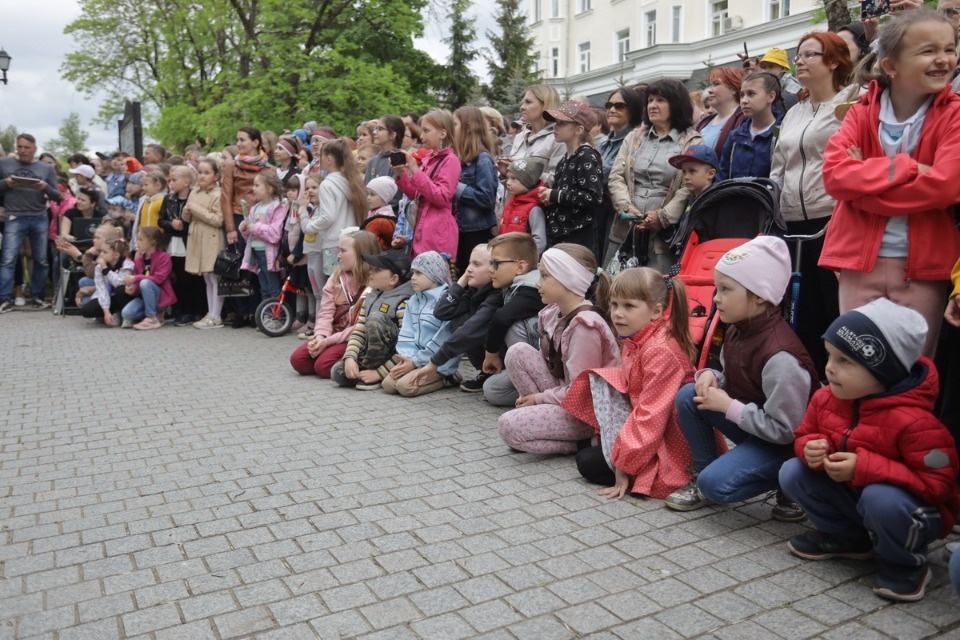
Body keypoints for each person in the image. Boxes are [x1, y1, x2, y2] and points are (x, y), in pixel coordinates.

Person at [780, 298, 959, 602]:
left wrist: (863, 467)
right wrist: (809, 448)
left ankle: (908, 563)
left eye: (845, 361)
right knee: (793, 471)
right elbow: (803, 434)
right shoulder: (826, 398)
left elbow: (939, 486)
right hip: (858, 500)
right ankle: (847, 539)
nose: (830, 369)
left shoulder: (916, 423)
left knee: (881, 498)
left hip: (913, 514)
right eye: (829, 357)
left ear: (884, 371)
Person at [821, 10, 960, 359]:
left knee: (913, 370)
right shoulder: (859, 111)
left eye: (950, 48)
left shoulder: (954, 113)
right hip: (857, 262)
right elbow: (835, 177)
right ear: (892, 66)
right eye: (928, 50)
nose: (943, 59)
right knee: (855, 363)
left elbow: (945, 186)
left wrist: (864, 190)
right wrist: (908, 166)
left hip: (923, 267)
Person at [665, 236, 818, 521]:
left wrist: (727, 406)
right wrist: (712, 376)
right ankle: (703, 470)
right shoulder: (738, 327)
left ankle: (790, 486)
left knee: (716, 486)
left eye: (725, 289)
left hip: (786, 447)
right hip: (755, 426)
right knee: (690, 394)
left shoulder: (781, 356)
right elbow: (737, 378)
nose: (716, 297)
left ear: (759, 295)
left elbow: (786, 431)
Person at [564, 267, 699, 500]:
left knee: (587, 462)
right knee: (589, 457)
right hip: (652, 428)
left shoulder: (660, 350)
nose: (617, 313)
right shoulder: (638, 335)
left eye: (629, 306)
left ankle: (630, 460)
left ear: (656, 311)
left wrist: (624, 465)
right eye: (614, 305)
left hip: (672, 440)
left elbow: (651, 415)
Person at [770, 31, 856, 378]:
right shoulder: (794, 112)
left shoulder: (854, 102)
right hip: (793, 225)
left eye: (809, 55)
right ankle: (808, 388)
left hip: (836, 220)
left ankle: (841, 381)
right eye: (798, 55)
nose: (799, 61)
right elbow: (778, 165)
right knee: (799, 311)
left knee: (835, 310)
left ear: (833, 61)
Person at [497, 244, 620, 454]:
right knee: (517, 352)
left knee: (509, 427)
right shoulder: (554, 312)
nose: (537, 283)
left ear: (568, 279)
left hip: (587, 412)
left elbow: (581, 393)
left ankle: (586, 441)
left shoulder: (584, 328)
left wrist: (539, 398)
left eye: (545, 276)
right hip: (566, 395)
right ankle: (543, 424)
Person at [606, 79, 703, 273]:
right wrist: (625, 206)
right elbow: (616, 176)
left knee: (655, 292)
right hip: (626, 227)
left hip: (663, 235)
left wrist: (663, 217)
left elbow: (689, 186)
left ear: (676, 104)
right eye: (650, 100)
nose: (652, 105)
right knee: (613, 289)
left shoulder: (692, 141)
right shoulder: (633, 137)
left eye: (660, 100)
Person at [406, 244, 497, 391]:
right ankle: (485, 372)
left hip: (502, 358)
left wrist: (434, 362)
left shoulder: (496, 295)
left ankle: (496, 373)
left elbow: (471, 329)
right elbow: (441, 312)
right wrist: (461, 282)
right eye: (469, 263)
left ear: (494, 268)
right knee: (459, 319)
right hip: (426, 358)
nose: (469, 269)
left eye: (476, 264)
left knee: (494, 391)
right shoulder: (473, 293)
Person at [290, 230, 380, 378]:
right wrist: (320, 337)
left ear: (361, 253)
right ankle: (330, 353)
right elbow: (325, 312)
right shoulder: (337, 277)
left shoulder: (375, 283)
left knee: (322, 367)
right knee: (298, 360)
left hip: (354, 339)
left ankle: (358, 361)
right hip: (332, 335)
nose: (338, 255)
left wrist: (328, 342)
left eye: (343, 251)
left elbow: (360, 327)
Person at [301, 139, 368, 327]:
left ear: (329, 159)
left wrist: (308, 226)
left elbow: (327, 217)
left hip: (333, 243)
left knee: (334, 291)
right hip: (352, 240)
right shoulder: (350, 181)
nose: (320, 159)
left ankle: (333, 328)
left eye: (322, 155)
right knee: (349, 288)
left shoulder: (328, 184)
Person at [331, 250, 415, 390]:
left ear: (393, 279)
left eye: (377, 270)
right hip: (369, 354)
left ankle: (377, 376)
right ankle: (364, 373)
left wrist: (379, 372)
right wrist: (350, 357)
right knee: (337, 372)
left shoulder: (403, 302)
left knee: (376, 318)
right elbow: (359, 330)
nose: (371, 272)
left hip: (392, 360)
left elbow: (405, 347)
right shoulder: (370, 296)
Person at [381, 251, 462, 395]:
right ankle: (420, 372)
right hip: (416, 360)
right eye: (412, 273)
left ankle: (448, 377)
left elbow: (443, 338)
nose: (413, 278)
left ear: (434, 276)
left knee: (405, 387)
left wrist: (416, 362)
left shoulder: (446, 301)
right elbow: (407, 332)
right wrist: (409, 359)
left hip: (438, 362)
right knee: (388, 385)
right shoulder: (414, 300)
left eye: (419, 273)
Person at [480, 233, 545, 404]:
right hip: (531, 363)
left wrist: (491, 353)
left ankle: (541, 397)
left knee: (510, 323)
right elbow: (477, 302)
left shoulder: (532, 289)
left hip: (546, 365)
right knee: (491, 389)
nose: (490, 269)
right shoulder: (513, 284)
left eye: (496, 263)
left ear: (520, 267)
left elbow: (502, 317)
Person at [0, 133, 61, 312]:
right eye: (19, 147)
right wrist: (5, 183)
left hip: (39, 216)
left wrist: (45, 187)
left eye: (26, 147)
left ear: (35, 148)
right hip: (14, 216)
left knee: (41, 260)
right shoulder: (4, 163)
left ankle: (38, 296)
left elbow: (57, 196)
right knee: (8, 259)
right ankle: (4, 298)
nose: (23, 151)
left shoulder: (46, 168)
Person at [392, 110, 462, 260]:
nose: (421, 136)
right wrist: (402, 174)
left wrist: (415, 171)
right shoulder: (429, 159)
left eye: (426, 131)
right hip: (423, 229)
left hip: (438, 233)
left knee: (433, 280)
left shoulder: (451, 160)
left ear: (442, 134)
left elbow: (442, 197)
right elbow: (417, 194)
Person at [539, 100, 604, 254]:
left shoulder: (586, 155)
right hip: (562, 234)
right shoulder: (565, 158)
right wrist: (550, 198)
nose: (555, 127)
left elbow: (593, 198)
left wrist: (555, 195)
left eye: (561, 123)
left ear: (579, 129)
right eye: (556, 122)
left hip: (579, 236)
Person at [222, 127, 270, 327]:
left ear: (256, 142)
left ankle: (257, 310)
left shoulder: (268, 168)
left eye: (243, 140)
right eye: (237, 140)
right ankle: (242, 312)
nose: (239, 143)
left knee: (259, 265)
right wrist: (230, 228)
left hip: (261, 219)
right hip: (238, 217)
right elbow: (225, 197)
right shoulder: (232, 166)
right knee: (238, 267)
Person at [598, 87, 645, 261]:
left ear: (632, 110)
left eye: (619, 106)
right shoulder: (604, 143)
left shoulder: (635, 141)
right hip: (600, 212)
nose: (612, 110)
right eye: (609, 105)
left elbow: (606, 176)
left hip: (618, 213)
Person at [452, 107, 498, 275]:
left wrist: (456, 187)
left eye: (455, 124)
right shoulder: (458, 158)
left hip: (475, 231)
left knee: (473, 277)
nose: (451, 129)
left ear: (469, 127)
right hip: (459, 229)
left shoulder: (482, 159)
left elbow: (486, 198)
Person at [717, 71, 785, 181]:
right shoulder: (735, 136)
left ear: (771, 96)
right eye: (742, 95)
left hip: (768, 197)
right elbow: (722, 177)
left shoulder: (783, 133)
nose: (744, 100)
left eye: (751, 94)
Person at [183, 159, 226, 330]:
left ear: (216, 176)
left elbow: (218, 220)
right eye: (200, 172)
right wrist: (186, 212)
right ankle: (211, 312)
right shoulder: (194, 192)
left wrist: (195, 210)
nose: (201, 176)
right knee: (207, 278)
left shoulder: (218, 194)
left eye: (206, 173)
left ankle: (216, 315)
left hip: (211, 238)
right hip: (197, 237)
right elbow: (187, 217)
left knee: (215, 277)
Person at [159, 165, 205, 325]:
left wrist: (183, 226)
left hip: (190, 242)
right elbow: (161, 219)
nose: (171, 183)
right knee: (180, 278)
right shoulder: (168, 199)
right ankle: (184, 310)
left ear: (186, 182)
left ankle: (198, 310)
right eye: (170, 179)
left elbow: (199, 220)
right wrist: (171, 224)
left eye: (174, 179)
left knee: (195, 279)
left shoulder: (195, 197)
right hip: (174, 243)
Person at [500, 85, 566, 187]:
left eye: (528, 102)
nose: (522, 107)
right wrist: (506, 173)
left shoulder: (558, 138)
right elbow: (515, 182)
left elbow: (557, 181)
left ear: (545, 105)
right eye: (522, 103)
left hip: (537, 202)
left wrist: (522, 170)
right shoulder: (519, 137)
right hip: (513, 202)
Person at [121, 226, 176, 330]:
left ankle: (152, 318)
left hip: (160, 298)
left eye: (141, 239)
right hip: (144, 297)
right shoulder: (138, 260)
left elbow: (159, 279)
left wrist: (135, 278)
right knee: (126, 314)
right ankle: (156, 315)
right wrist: (133, 289)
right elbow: (138, 284)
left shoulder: (164, 257)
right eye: (137, 239)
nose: (138, 242)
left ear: (152, 242)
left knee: (145, 283)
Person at [80, 237, 133, 326]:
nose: (101, 255)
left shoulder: (127, 265)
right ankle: (111, 314)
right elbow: (101, 289)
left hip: (125, 296)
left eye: (105, 252)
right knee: (86, 310)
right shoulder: (99, 267)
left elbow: (120, 284)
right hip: (110, 296)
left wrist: (106, 270)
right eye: (101, 251)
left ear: (116, 255)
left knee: (120, 289)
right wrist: (106, 311)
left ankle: (124, 315)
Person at [499, 157, 547, 254]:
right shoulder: (511, 203)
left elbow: (539, 241)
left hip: (522, 262)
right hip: (507, 258)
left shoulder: (534, 208)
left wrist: (525, 258)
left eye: (513, 178)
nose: (508, 182)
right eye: (507, 178)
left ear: (527, 182)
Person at [697, 68, 746, 157]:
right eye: (710, 85)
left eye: (716, 84)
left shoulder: (744, 120)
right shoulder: (704, 123)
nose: (710, 91)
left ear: (733, 89)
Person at [131, 171, 167, 249]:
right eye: (142, 185)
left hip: (157, 243)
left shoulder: (163, 201)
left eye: (146, 185)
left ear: (158, 185)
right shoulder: (145, 202)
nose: (143, 188)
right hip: (143, 241)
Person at [361, 176, 397, 251]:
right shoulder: (374, 214)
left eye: (372, 194)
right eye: (367, 194)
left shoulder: (380, 221)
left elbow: (366, 244)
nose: (368, 197)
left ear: (384, 197)